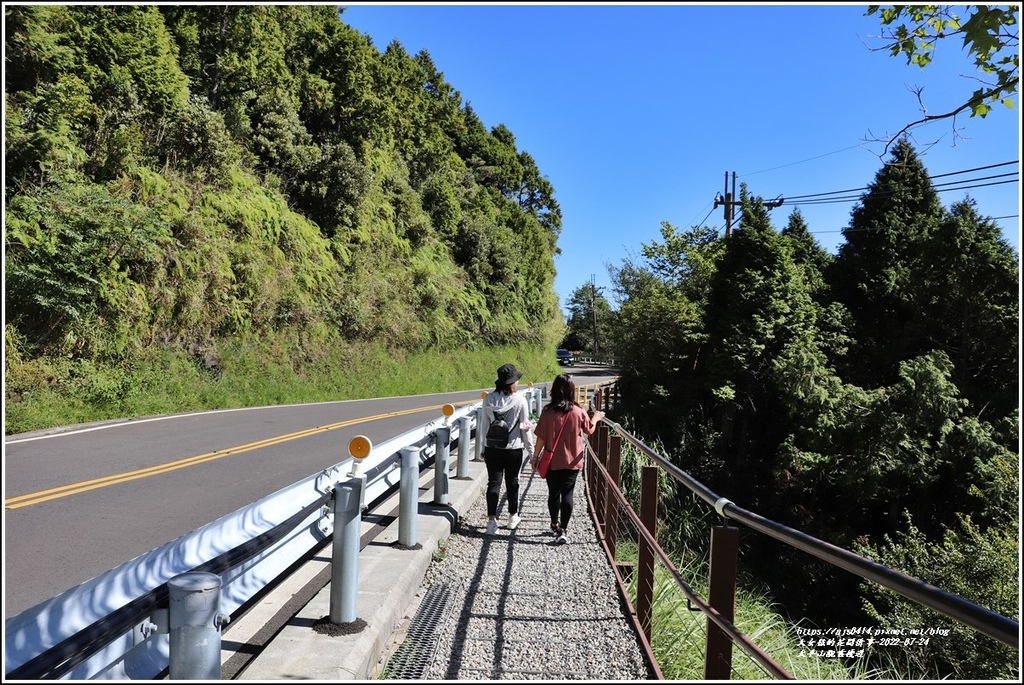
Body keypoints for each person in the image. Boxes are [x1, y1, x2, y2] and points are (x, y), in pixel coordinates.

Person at [531, 373, 605, 545]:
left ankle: (554, 524)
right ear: (572, 391)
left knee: (553, 493)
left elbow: (541, 438)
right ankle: (563, 530)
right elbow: (589, 430)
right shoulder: (578, 411)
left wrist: (535, 457)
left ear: (554, 390)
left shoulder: (548, 412)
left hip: (552, 461)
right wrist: (596, 418)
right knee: (568, 494)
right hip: (573, 461)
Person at [482, 363, 532, 535]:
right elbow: (525, 428)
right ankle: (512, 517)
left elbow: (485, 425)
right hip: (513, 449)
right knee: (513, 482)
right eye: (516, 380)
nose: (518, 382)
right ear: (511, 383)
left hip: (492, 448)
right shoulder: (520, 400)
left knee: (493, 483)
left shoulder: (489, 399)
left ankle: (491, 521)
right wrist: (531, 451)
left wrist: (483, 447)